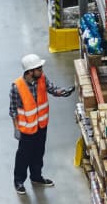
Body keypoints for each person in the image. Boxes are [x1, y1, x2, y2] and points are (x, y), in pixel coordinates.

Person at [10, 53, 74, 196]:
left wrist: (62, 92)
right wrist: (16, 128)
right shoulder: (17, 87)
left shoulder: (42, 79)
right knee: (24, 156)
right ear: (29, 72)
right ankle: (19, 181)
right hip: (26, 130)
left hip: (41, 126)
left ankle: (36, 177)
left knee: (38, 153)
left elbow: (51, 88)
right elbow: (13, 110)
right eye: (39, 69)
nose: (42, 71)